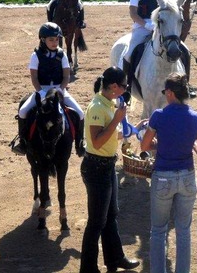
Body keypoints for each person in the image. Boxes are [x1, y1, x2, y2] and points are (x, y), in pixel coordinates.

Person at [141, 72, 197, 273]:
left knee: (158, 231)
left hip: (163, 176)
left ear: (170, 93)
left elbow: (144, 146)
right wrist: (194, 147)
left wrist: (156, 144)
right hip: (187, 178)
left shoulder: (158, 116)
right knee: (183, 231)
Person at [79, 66, 140, 273]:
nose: (125, 90)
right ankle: (87, 269)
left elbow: (108, 135)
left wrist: (132, 129)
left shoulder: (108, 103)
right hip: (96, 168)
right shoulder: (97, 107)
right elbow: (96, 142)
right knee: (96, 222)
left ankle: (115, 258)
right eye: (124, 86)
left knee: (111, 215)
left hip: (106, 166)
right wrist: (117, 120)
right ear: (114, 86)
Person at [123, 0, 196, 98]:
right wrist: (146, 24)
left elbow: (172, 8)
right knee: (129, 52)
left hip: (161, 25)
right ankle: (127, 86)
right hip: (142, 26)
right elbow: (133, 13)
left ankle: (186, 85)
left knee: (184, 50)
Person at [12, 22, 84, 155]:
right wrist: (41, 92)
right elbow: (34, 78)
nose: (55, 42)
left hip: (59, 90)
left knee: (80, 113)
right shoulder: (35, 56)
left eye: (57, 39)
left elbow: (66, 76)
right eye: (51, 40)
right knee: (22, 111)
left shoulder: (62, 54)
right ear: (43, 40)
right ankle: (22, 143)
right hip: (42, 90)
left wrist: (61, 90)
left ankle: (80, 144)